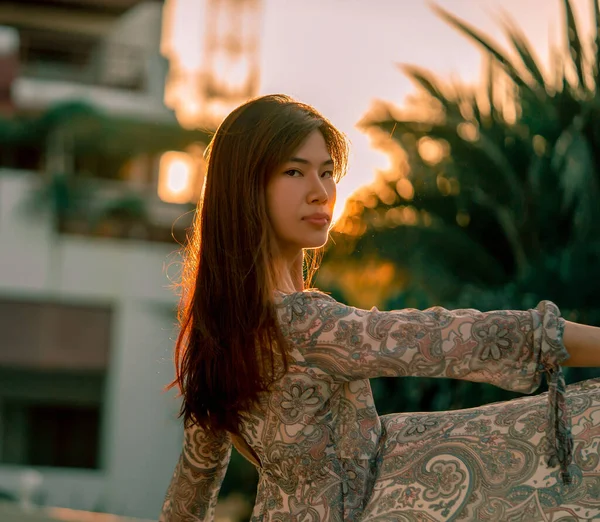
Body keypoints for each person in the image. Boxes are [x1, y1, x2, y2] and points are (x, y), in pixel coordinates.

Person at [158, 94, 600, 521]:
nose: (321, 192)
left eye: (327, 172)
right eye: (294, 172)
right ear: (244, 189)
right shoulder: (306, 324)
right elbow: (456, 339)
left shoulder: (216, 339)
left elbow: (187, 498)